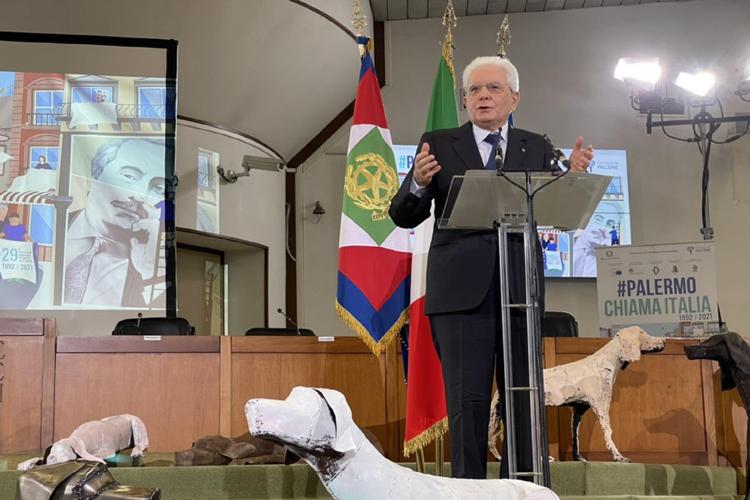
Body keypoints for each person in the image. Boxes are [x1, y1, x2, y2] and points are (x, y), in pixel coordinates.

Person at [389, 56, 592, 480]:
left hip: (520, 289)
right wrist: (419, 183)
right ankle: (468, 490)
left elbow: (557, 205)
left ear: (514, 97)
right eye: (475, 90)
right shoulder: (440, 144)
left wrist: (571, 175)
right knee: (469, 403)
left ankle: (522, 487)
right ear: (464, 101)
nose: (483, 95)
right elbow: (403, 215)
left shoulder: (536, 146)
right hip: (461, 296)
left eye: (493, 88)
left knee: (523, 401)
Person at [64, 138, 166, 307]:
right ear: (93, 179)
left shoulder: (155, 263)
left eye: (159, 188)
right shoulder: (48, 231)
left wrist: (149, 274)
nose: (141, 195)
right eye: (129, 176)